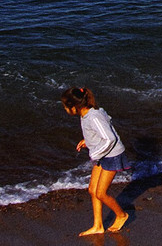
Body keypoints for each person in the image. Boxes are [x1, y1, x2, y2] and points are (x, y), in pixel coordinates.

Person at [61, 87, 129, 236]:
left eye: (66, 107)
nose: (65, 110)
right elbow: (105, 125)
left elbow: (110, 138)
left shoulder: (93, 117)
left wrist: (95, 152)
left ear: (74, 106)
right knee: (92, 190)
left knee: (101, 193)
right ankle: (98, 226)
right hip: (102, 153)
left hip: (111, 155)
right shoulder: (86, 113)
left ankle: (121, 215)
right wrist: (89, 140)